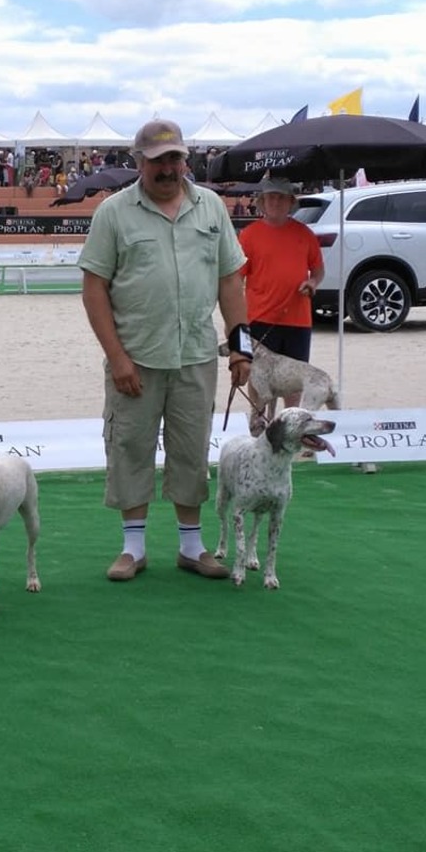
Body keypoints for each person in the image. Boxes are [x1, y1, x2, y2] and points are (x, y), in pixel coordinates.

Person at [80, 119, 253, 583]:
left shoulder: (211, 207)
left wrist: (241, 348)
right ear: (139, 162)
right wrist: (117, 358)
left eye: (175, 158)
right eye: (157, 160)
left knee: (191, 450)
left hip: (196, 354)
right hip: (135, 358)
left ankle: (191, 547)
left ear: (186, 160)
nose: (168, 168)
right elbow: (94, 289)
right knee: (130, 447)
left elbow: (230, 281)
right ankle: (132, 549)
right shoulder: (113, 212)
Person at [238, 176, 324, 407]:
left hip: (298, 319)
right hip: (259, 319)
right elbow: (236, 279)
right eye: (271, 198)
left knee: (293, 383)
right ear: (262, 202)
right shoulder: (249, 235)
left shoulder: (304, 234)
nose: (275, 202)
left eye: (281, 198)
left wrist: (312, 283)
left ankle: (289, 425)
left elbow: (318, 270)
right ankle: (259, 424)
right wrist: (236, 320)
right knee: (259, 380)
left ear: (290, 202)